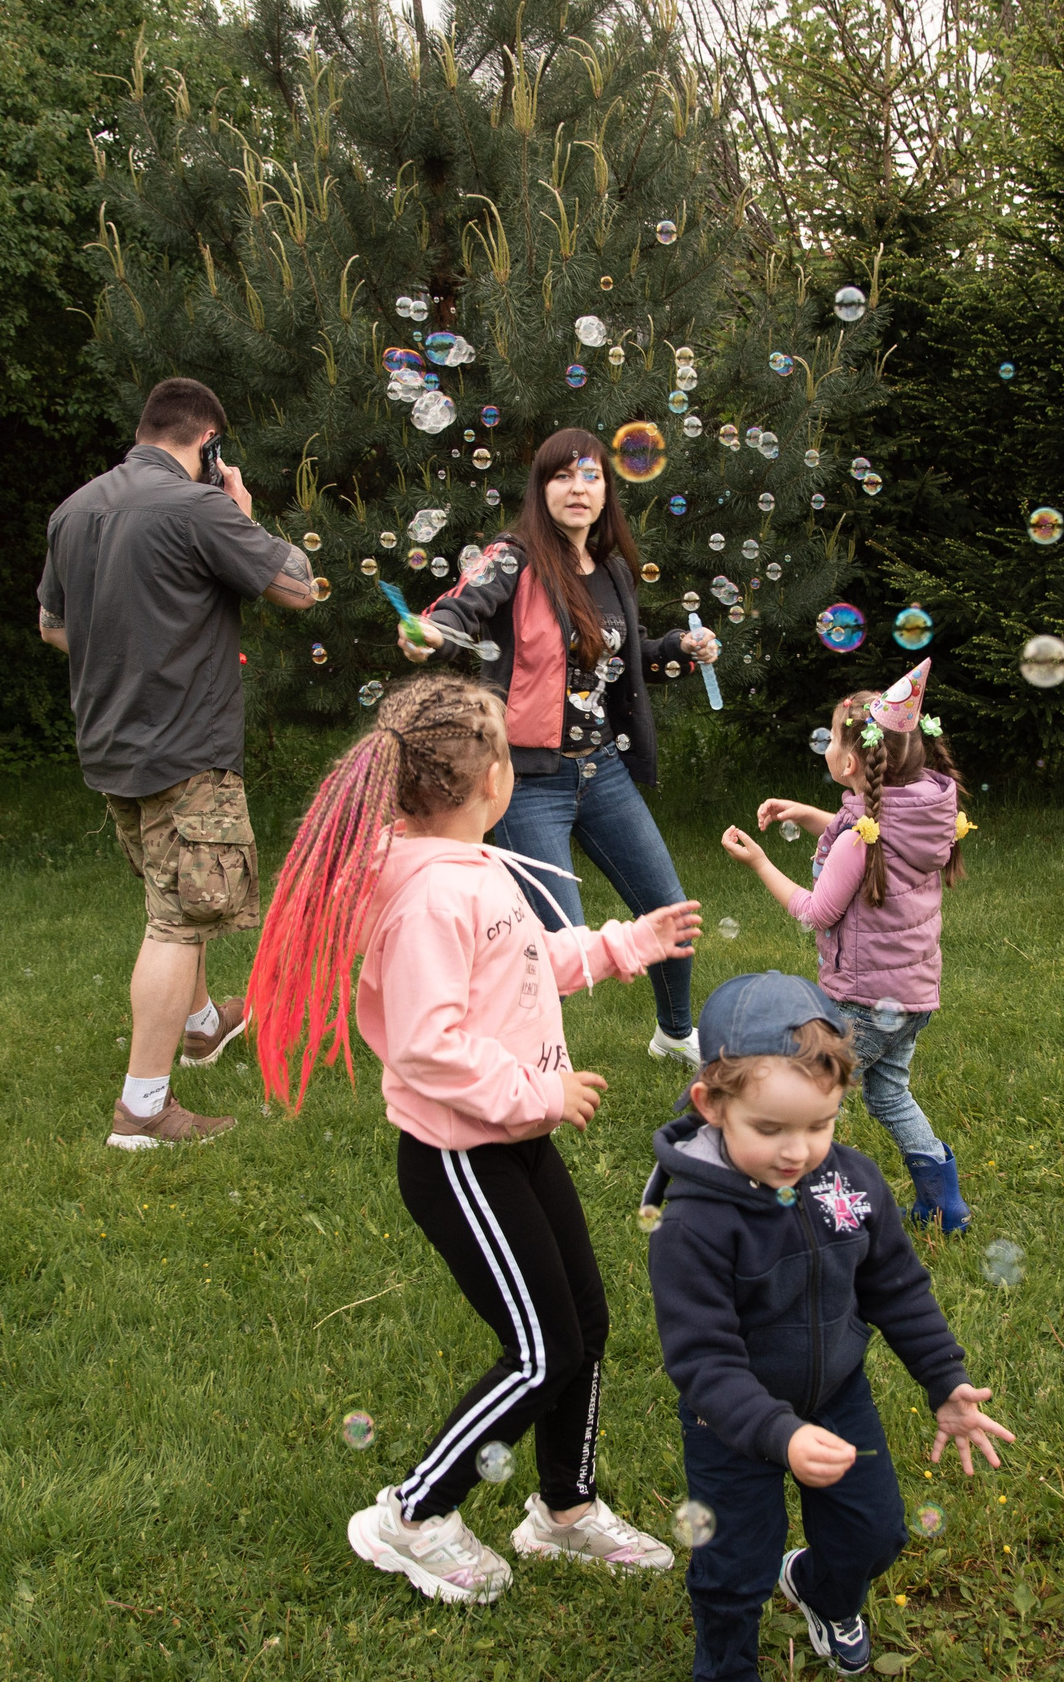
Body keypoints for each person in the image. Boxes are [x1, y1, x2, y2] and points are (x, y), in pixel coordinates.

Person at [245, 673, 701, 1605]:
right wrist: (540, 1088)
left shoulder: (475, 867)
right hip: (460, 1156)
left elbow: (523, 961)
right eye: (509, 745)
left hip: (513, 1138)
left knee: (584, 1323)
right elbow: (426, 1046)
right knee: (540, 1350)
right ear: (489, 779)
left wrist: (624, 943)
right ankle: (411, 1516)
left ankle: (563, 1511)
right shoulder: (424, 896)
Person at [641, 972, 1012, 1680]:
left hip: (836, 1394)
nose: (797, 1151)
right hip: (732, 1423)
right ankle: (725, 1666)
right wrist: (779, 1433)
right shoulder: (691, 1224)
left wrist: (945, 1380)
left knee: (875, 1533)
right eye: (769, 1128)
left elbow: (896, 1286)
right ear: (711, 1105)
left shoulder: (854, 1182)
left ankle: (820, 1587)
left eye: (820, 1124)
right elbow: (703, 1359)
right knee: (733, 1569)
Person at [37, 376, 318, 1152]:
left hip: (109, 746)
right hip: (186, 749)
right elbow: (299, 588)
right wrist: (241, 512)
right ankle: (143, 1110)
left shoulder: (75, 509)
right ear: (209, 443)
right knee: (177, 921)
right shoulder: (199, 508)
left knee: (176, 894)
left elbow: (52, 627)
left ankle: (200, 1025)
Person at [399, 428, 723, 1066]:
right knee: (559, 944)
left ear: (607, 490)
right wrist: (428, 634)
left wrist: (678, 653)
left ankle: (675, 1034)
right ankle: (530, 1066)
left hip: (602, 772)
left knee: (669, 912)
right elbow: (459, 611)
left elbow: (623, 665)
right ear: (541, 488)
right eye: (562, 476)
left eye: (592, 476)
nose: (579, 489)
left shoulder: (613, 571)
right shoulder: (512, 558)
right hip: (526, 782)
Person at [717, 659, 977, 1230]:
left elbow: (817, 911)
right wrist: (810, 815)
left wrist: (760, 862)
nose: (826, 748)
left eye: (831, 739)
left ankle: (795, 1197)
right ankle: (943, 1203)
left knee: (806, 1095)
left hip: (865, 999)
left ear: (851, 761)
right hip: (912, 997)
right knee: (888, 1096)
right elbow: (854, 827)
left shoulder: (866, 834)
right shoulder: (917, 810)